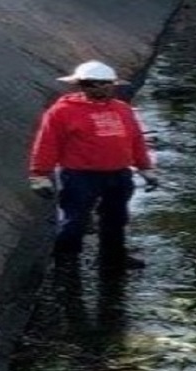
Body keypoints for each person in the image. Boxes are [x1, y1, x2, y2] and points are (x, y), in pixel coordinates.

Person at [28, 60, 158, 270]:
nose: (99, 87)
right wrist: (39, 175)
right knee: (74, 222)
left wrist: (146, 169)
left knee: (116, 219)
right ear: (81, 85)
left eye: (104, 83)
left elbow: (135, 140)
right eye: (91, 83)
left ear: (112, 85)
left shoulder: (123, 109)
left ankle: (113, 258)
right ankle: (66, 262)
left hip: (119, 175)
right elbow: (47, 144)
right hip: (79, 176)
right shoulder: (62, 112)